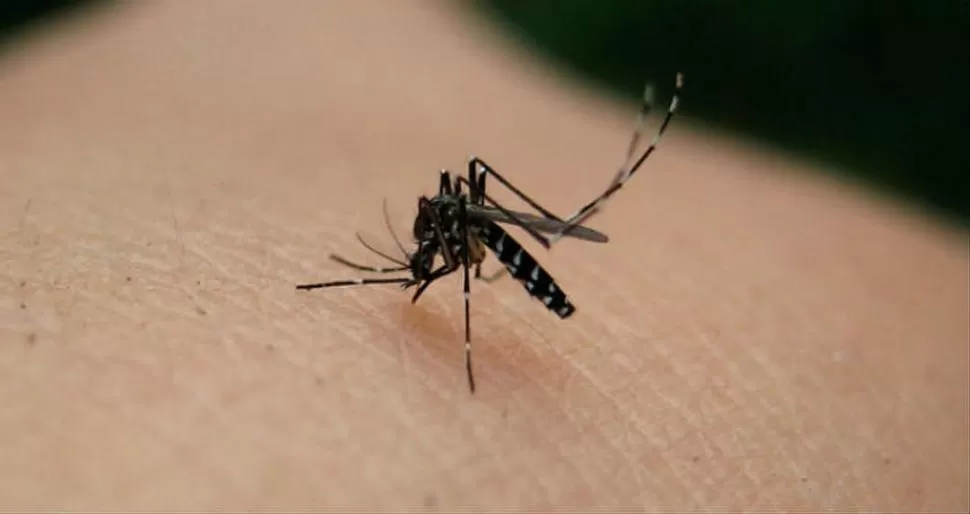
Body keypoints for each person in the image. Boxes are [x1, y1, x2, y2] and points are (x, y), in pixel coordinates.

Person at [1, 1, 966, 510]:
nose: (420, 266)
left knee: (475, 211)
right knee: (458, 203)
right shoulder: (438, 236)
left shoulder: (458, 242)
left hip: (500, 233)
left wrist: (490, 280)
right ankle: (547, 215)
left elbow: (454, 246)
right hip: (479, 230)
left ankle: (560, 212)